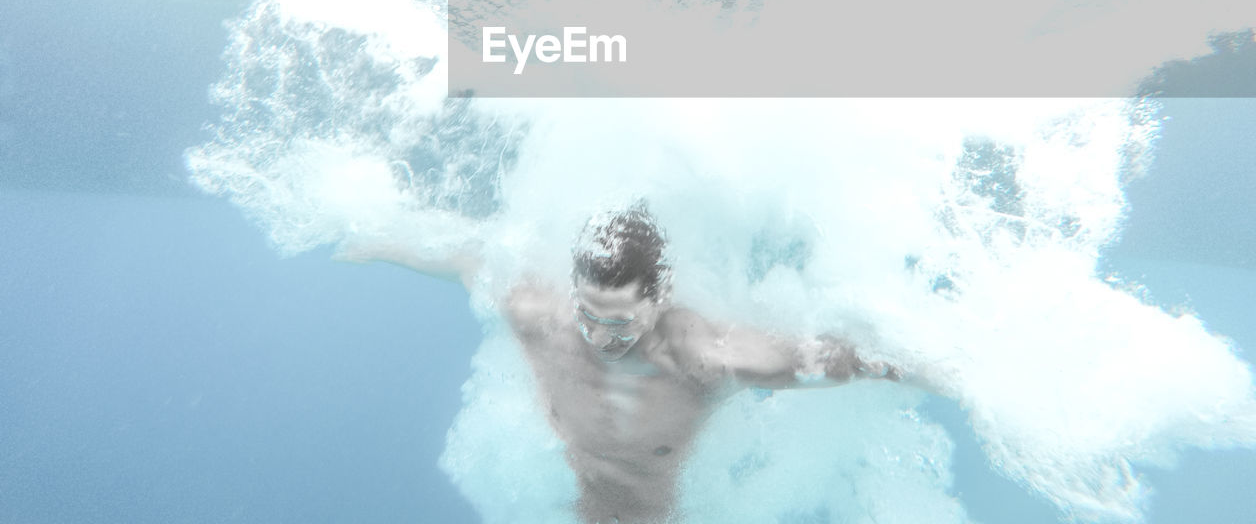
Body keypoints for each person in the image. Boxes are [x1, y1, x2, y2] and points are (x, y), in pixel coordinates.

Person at [338, 202, 909, 524]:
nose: (598, 334)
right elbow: (466, 260)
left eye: (618, 321)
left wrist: (932, 371)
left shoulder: (706, 360)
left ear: (659, 300)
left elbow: (834, 358)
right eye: (589, 313)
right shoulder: (539, 318)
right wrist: (381, 244)